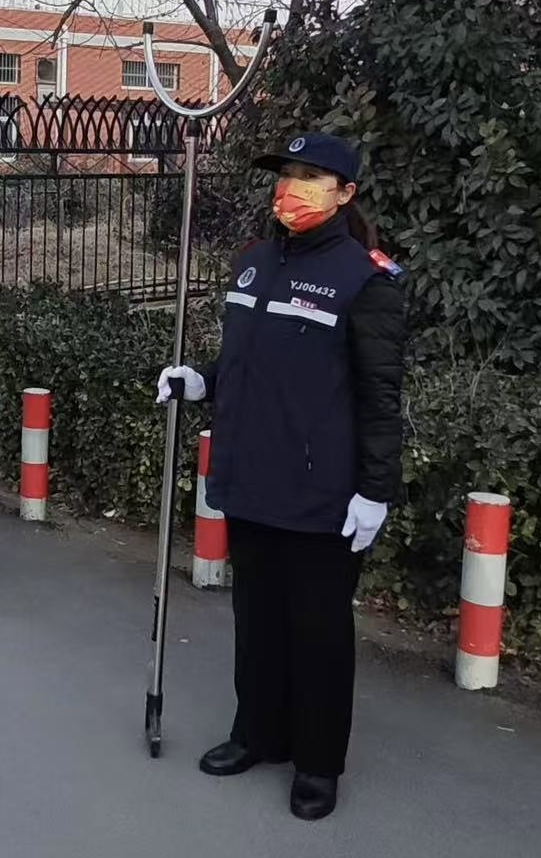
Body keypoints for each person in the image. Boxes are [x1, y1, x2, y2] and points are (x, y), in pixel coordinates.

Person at [155, 132, 404, 822]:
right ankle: (256, 734)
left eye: (311, 177)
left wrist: (375, 490)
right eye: (286, 173)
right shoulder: (255, 263)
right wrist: (200, 381)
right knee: (257, 620)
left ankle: (317, 761)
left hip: (321, 491)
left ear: (345, 193)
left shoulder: (365, 279)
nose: (291, 187)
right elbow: (246, 361)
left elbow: (380, 396)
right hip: (249, 476)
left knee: (317, 631)